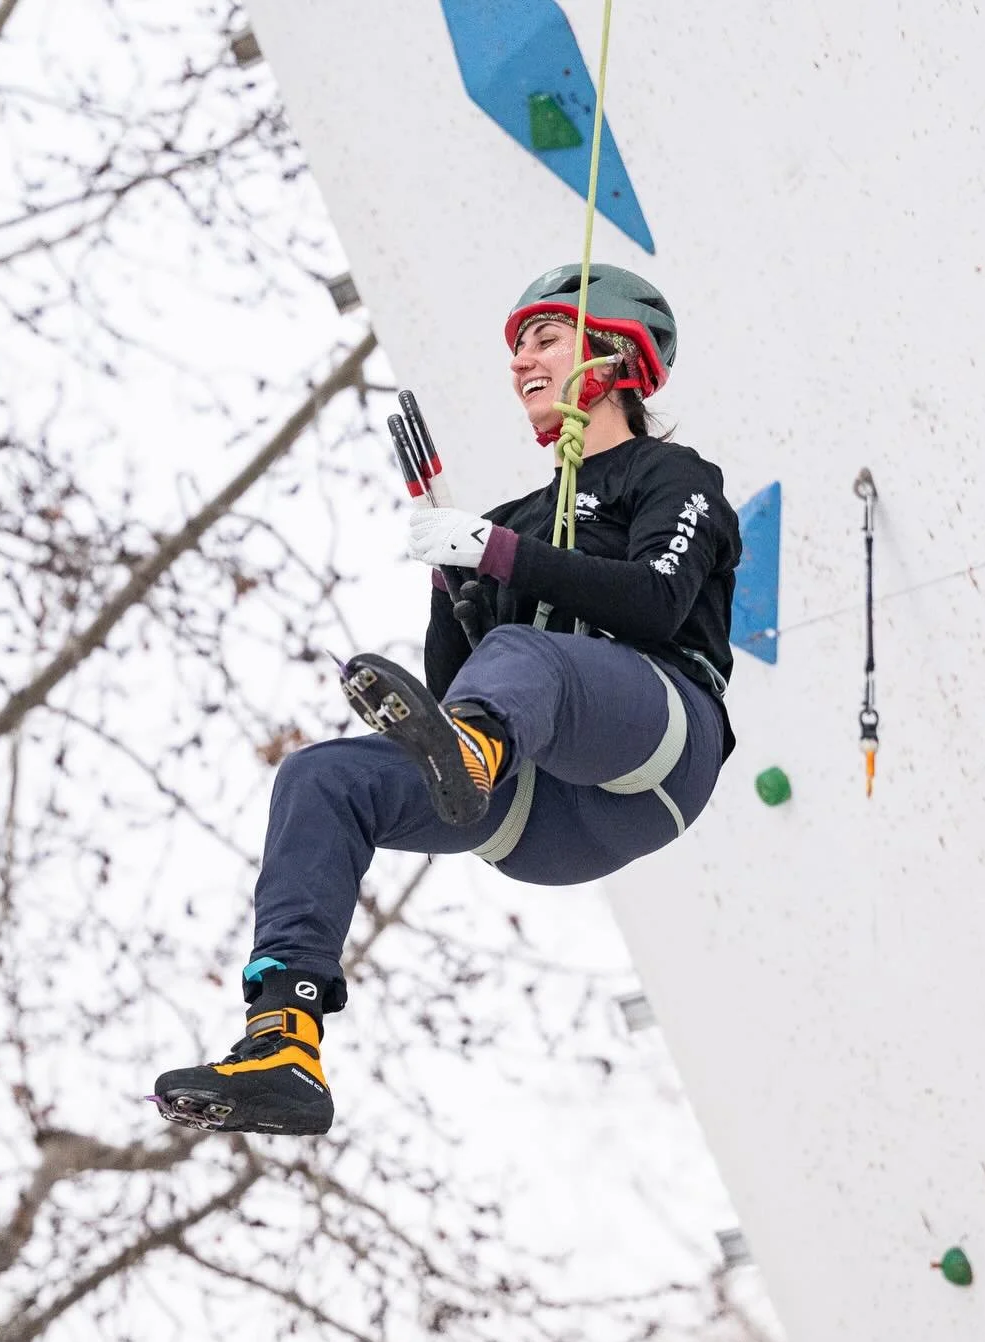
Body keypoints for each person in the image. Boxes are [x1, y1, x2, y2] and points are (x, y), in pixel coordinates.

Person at [150, 264, 742, 1136]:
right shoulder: (517, 515)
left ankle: (476, 754)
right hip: (530, 805)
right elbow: (454, 685)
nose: (521, 362)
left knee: (519, 660)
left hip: (654, 752)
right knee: (319, 780)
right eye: (516, 348)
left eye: (544, 338)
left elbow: (655, 598)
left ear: (614, 351)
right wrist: (451, 587)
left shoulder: (670, 475)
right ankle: (283, 1040)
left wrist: (499, 556)